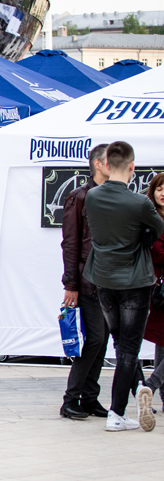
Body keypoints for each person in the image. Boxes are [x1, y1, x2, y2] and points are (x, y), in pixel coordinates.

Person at [85, 141, 164, 432]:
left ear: (105, 163)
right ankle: (117, 412)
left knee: (121, 345)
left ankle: (140, 390)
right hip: (134, 281)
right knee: (128, 349)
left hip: (104, 279)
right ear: (132, 166)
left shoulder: (91, 196)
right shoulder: (139, 202)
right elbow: (159, 227)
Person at [140, 173, 164, 425]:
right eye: (159, 188)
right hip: (157, 288)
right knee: (160, 336)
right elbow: (155, 251)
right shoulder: (150, 218)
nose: (163, 192)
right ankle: (151, 386)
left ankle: (152, 390)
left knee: (162, 339)